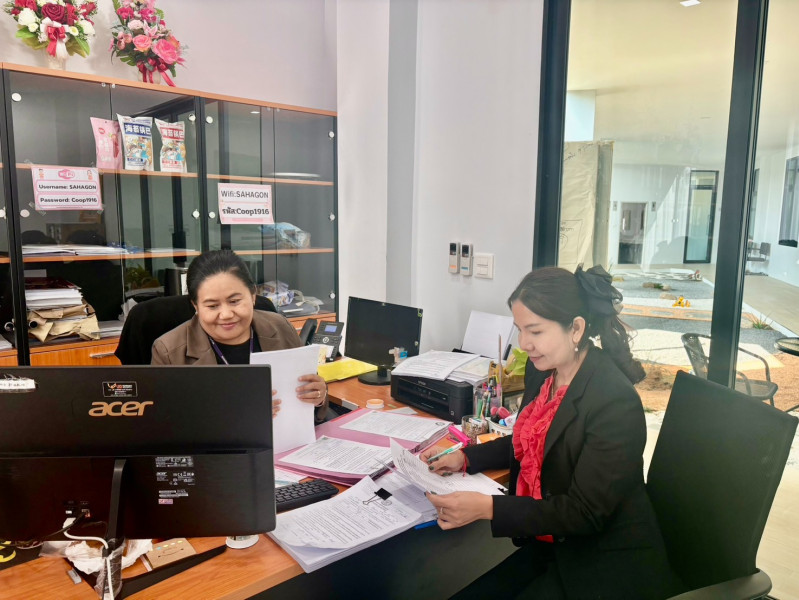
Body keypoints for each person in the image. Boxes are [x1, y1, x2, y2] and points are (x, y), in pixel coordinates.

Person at [421, 265, 684, 599]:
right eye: (520, 330)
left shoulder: (614, 401)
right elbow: (531, 439)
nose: (524, 344)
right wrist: (465, 457)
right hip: (552, 546)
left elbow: (584, 513)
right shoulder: (544, 370)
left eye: (535, 331)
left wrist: (488, 508)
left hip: (601, 564)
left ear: (576, 329)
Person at [151, 249, 328, 422]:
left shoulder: (280, 326)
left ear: (253, 295)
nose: (226, 314)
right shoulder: (169, 352)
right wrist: (236, 414)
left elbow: (312, 401)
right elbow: (163, 423)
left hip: (284, 439)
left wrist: (319, 396)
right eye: (212, 306)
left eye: (234, 301)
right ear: (195, 306)